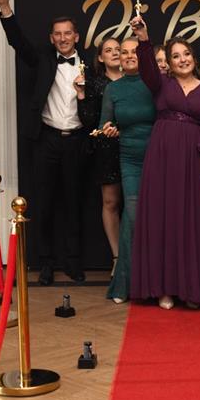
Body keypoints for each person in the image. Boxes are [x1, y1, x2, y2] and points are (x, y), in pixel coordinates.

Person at [0, 0, 88, 285]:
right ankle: (45, 263)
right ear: (51, 38)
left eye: (67, 33)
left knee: (74, 204)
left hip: (77, 142)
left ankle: (73, 263)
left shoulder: (90, 65)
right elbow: (18, 41)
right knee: (44, 204)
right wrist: (4, 6)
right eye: (57, 34)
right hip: (46, 140)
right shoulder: (43, 60)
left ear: (76, 36)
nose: (62, 38)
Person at [130, 15, 200, 309]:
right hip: (162, 157)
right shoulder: (161, 84)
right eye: (175, 56)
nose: (182, 59)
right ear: (169, 63)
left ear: (193, 58)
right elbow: (147, 67)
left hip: (193, 158)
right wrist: (143, 38)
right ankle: (164, 289)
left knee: (191, 221)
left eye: (186, 54)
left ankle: (191, 289)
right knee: (164, 219)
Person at [98, 37, 156, 303]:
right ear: (119, 58)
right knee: (132, 215)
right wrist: (109, 129)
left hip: (158, 157)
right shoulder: (113, 89)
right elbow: (105, 123)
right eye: (125, 52)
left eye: (135, 51)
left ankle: (158, 284)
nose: (130, 56)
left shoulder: (155, 84)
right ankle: (124, 284)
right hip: (129, 158)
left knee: (156, 217)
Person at [76, 36, 124, 272]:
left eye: (118, 49)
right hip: (106, 149)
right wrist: (81, 94)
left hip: (134, 146)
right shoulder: (94, 84)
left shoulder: (136, 79)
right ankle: (117, 258)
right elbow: (88, 121)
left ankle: (137, 257)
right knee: (110, 202)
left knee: (135, 203)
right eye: (109, 50)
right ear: (101, 58)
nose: (115, 53)